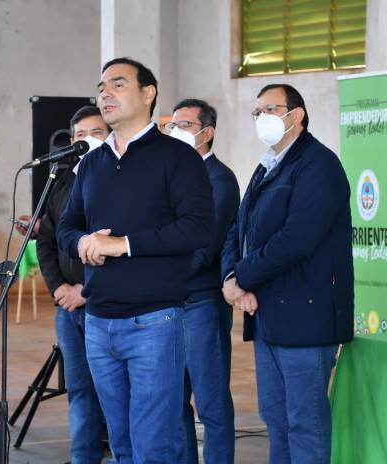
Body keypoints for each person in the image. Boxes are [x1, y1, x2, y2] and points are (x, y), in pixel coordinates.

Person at [57, 57, 214, 463]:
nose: (105, 93)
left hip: (154, 323)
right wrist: (83, 242)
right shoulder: (91, 163)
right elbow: (66, 227)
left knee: (153, 447)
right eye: (101, 87)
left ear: (148, 94)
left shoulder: (177, 157)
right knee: (122, 445)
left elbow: (197, 228)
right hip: (98, 322)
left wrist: (123, 244)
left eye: (118, 84)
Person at [221, 83, 354, 463]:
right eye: (257, 112)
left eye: (270, 109)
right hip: (269, 317)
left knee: (304, 424)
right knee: (276, 420)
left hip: (306, 320)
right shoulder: (269, 164)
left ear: (296, 115)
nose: (261, 118)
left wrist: (243, 277)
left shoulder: (319, 165)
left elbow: (297, 239)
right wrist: (231, 278)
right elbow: (238, 228)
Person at [35, 105, 111, 463]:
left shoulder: (120, 181)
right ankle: (83, 457)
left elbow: (118, 245)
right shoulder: (61, 182)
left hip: (103, 306)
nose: (88, 140)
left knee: (112, 390)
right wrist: (59, 288)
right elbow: (46, 242)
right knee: (79, 389)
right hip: (67, 308)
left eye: (96, 133)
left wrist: (86, 291)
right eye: (81, 135)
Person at [166, 99, 239, 464]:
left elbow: (205, 247)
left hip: (201, 303)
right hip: (168, 303)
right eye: (171, 125)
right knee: (173, 400)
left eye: (184, 125)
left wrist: (161, 274)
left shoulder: (220, 180)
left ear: (207, 132)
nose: (174, 131)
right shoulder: (171, 175)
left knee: (211, 401)